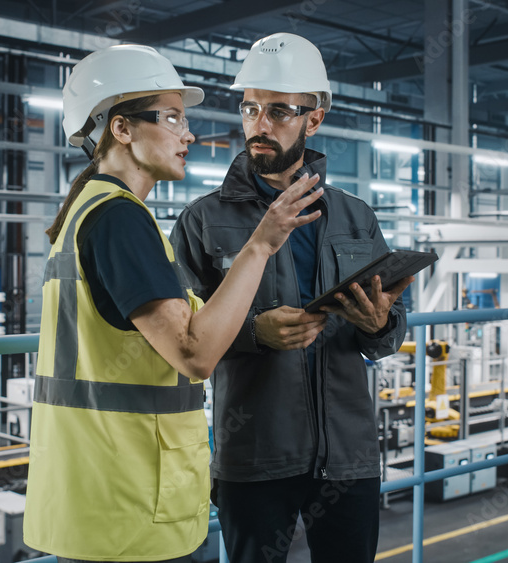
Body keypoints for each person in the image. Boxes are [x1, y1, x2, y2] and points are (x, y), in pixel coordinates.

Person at [24, 44, 323, 563]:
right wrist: (261, 243)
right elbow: (194, 352)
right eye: (172, 119)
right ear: (122, 129)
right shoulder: (119, 219)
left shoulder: (92, 212)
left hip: (98, 497)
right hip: (129, 503)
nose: (189, 135)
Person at [170, 33, 412, 563]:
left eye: (279, 110)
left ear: (315, 117)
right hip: (254, 455)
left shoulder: (354, 217)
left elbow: (392, 332)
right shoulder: (203, 221)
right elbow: (179, 342)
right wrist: (255, 333)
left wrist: (379, 325)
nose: (260, 123)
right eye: (251, 107)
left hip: (347, 457)